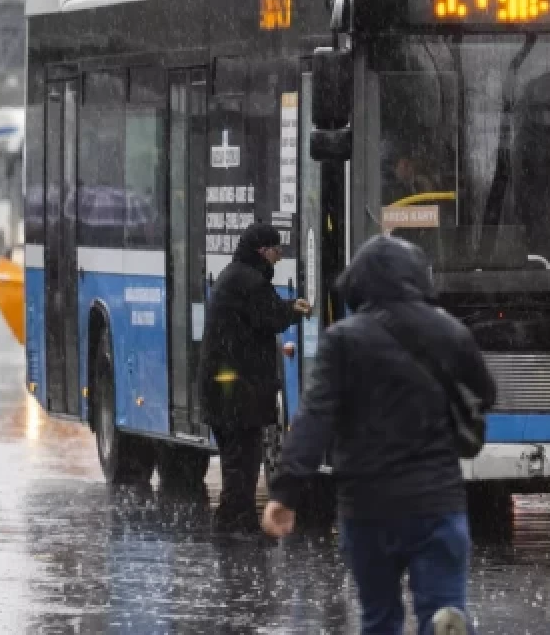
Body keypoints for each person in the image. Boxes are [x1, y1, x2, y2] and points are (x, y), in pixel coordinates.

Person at [262, 235, 497, 635]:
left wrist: (285, 494)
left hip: (368, 506)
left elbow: (314, 418)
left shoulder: (343, 341)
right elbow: (486, 392)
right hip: (436, 501)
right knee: (442, 608)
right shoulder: (450, 332)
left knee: (380, 617)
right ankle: (444, 622)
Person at [198, 222, 311, 538]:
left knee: (241, 459)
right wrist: (294, 309)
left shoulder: (235, 275)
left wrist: (287, 308)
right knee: (243, 461)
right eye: (277, 250)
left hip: (225, 389)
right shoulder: (249, 281)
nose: (279, 257)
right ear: (263, 251)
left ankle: (240, 524)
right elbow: (269, 316)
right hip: (234, 392)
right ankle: (231, 525)